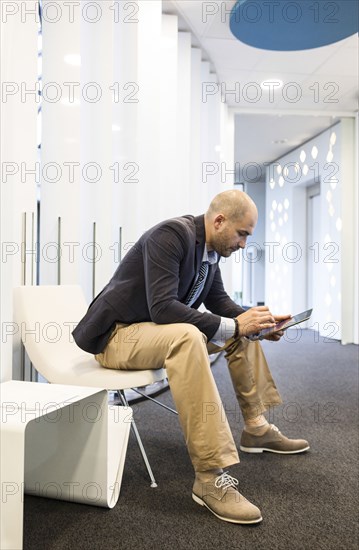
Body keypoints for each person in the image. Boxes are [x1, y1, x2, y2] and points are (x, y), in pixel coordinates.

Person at [73, 189, 309, 525]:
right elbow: (163, 306)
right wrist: (236, 323)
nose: (243, 244)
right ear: (219, 221)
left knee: (243, 327)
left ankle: (256, 428)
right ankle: (210, 476)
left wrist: (257, 322)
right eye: (242, 234)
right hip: (116, 336)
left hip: (153, 334)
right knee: (190, 334)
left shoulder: (209, 252)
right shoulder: (171, 236)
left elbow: (220, 304)